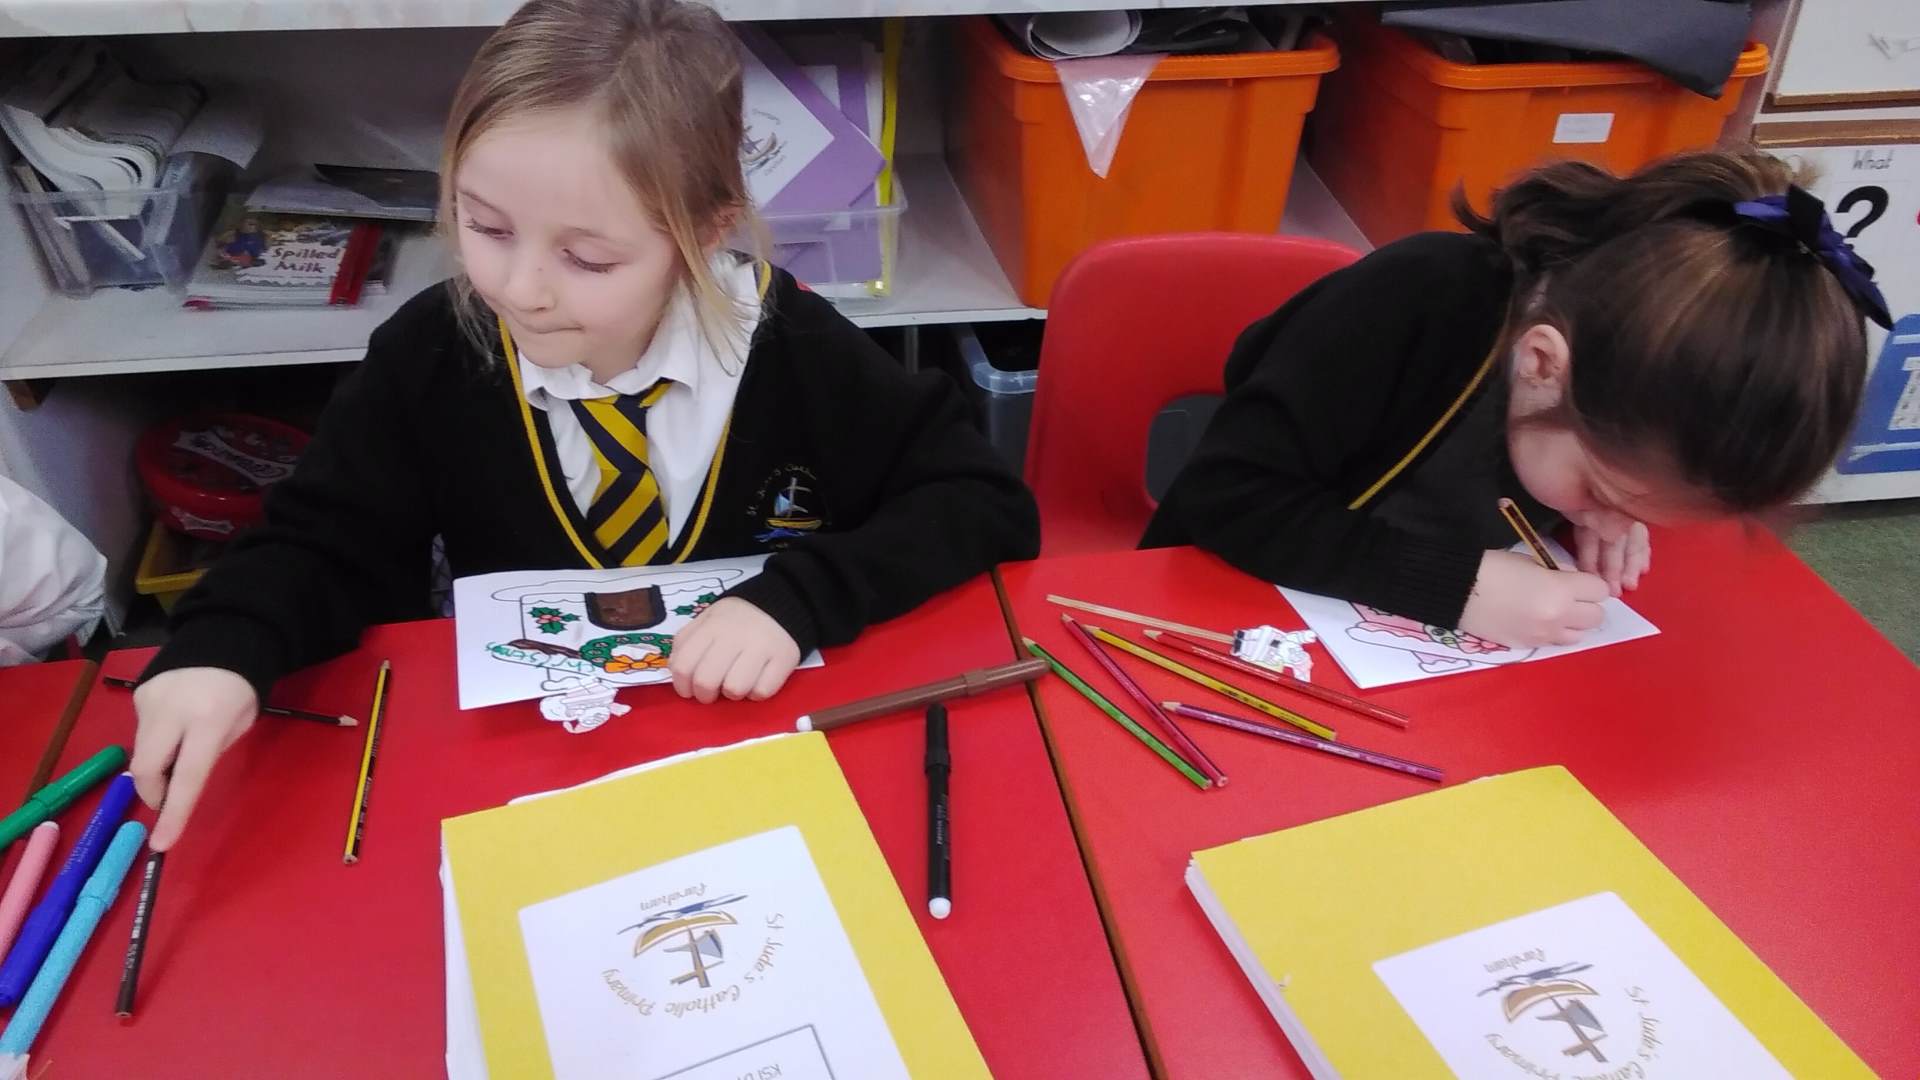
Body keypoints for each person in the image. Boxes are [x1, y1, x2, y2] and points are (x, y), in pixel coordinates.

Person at [130, 0, 1038, 850]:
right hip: (521, 770)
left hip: (753, 753)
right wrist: (222, 649)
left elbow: (978, 500)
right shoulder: (431, 353)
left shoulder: (792, 348)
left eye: (588, 258)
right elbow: (323, 542)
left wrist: (800, 598)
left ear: (705, 232)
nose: (521, 289)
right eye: (486, 227)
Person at [1144, 149, 1883, 648]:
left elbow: (1581, 469)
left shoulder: (1617, 390)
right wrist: (1456, 586)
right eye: (1602, 491)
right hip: (1223, 610)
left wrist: (1611, 510)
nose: (1608, 518)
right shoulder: (1417, 303)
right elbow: (1225, 501)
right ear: (1541, 365)